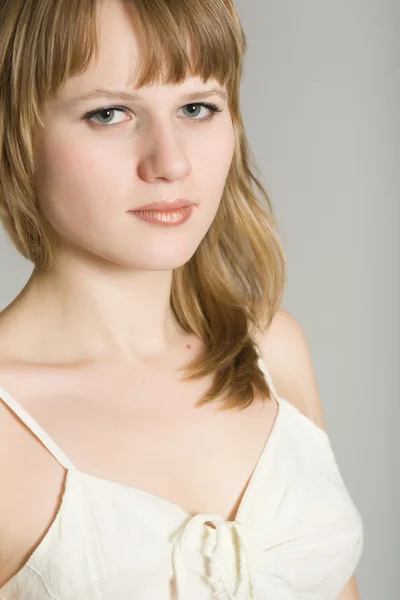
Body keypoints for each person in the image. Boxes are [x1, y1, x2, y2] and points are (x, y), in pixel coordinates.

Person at [0, 0, 363, 598]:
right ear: (17, 131)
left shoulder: (271, 351)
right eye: (109, 113)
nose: (171, 162)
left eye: (197, 107)